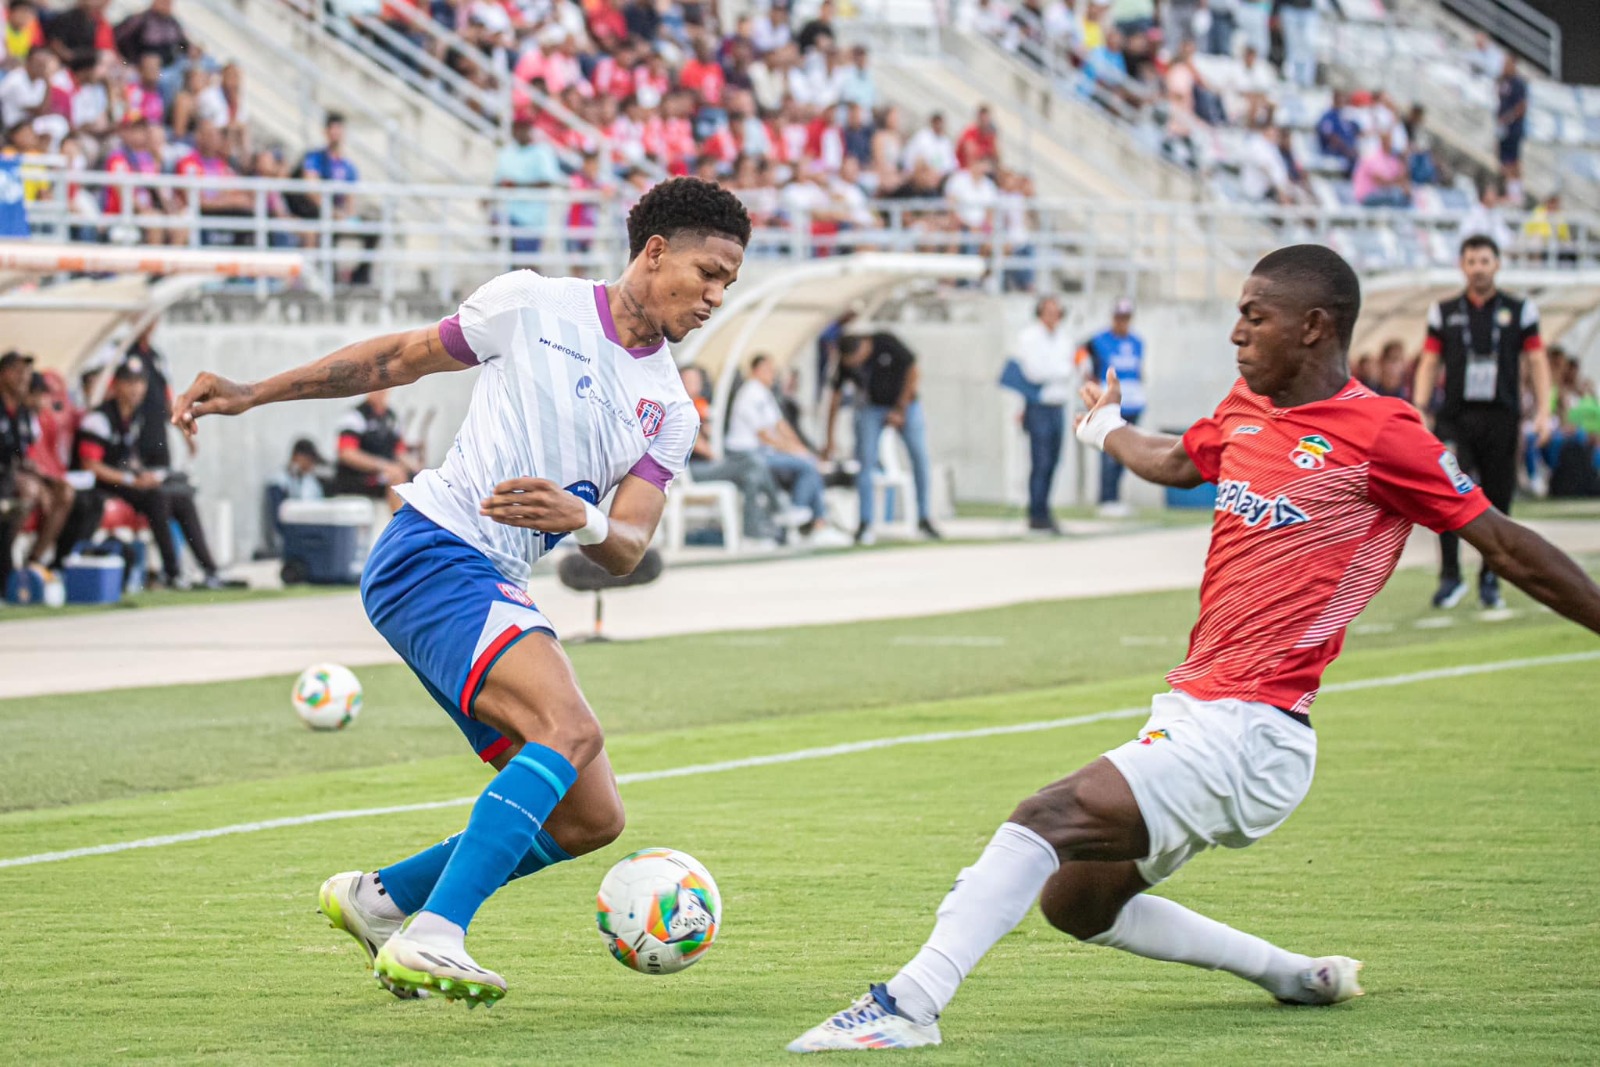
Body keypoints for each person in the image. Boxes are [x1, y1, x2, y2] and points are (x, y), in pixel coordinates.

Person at [787, 244, 1600, 1053]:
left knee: (1046, 816)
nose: (1237, 333)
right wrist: (1105, 426)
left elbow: (1504, 541)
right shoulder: (1247, 407)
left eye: (1255, 315)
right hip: (1196, 712)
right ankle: (1291, 973)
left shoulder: (1384, 434)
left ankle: (909, 1003)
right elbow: (1178, 459)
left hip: (1256, 729)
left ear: (1314, 326)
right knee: (1075, 904)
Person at [172, 177, 751, 1005]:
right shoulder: (532, 304)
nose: (716, 296)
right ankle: (437, 933)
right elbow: (396, 359)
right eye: (708, 272)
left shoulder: (668, 408)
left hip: (489, 578)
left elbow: (626, 546)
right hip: (433, 549)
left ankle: (381, 900)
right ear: (654, 252)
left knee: (594, 818)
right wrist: (256, 392)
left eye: (730, 282)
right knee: (569, 726)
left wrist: (579, 516)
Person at [1413, 234, 1548, 611]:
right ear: (1462, 266)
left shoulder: (1521, 310)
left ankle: (1491, 580)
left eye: (1484, 261)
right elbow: (1428, 361)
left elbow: (1537, 361)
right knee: (1446, 497)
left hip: (1502, 416)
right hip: (1456, 418)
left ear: (1497, 264)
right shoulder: (1444, 311)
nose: (1478, 268)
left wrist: (1541, 412)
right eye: (1471, 261)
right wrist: (1421, 407)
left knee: (1498, 501)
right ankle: (1450, 577)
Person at [75, 358, 227, 590]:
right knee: (157, 497)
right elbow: (90, 466)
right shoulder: (99, 418)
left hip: (129, 481)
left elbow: (130, 458)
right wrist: (132, 479)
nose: (135, 388)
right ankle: (172, 573)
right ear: (116, 385)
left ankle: (210, 571)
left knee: (182, 496)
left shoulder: (136, 417)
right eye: (129, 382)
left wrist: (143, 475)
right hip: (103, 485)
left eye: (139, 382)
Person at [824, 332, 939, 545]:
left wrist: (900, 409)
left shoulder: (886, 343)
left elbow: (913, 371)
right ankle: (865, 523)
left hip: (906, 405)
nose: (855, 366)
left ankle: (924, 518)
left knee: (919, 458)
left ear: (864, 348)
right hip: (871, 407)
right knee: (865, 462)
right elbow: (835, 399)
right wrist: (829, 439)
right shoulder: (844, 362)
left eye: (858, 360)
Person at [725, 353, 840, 543]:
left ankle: (808, 519)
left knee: (808, 463)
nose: (773, 374)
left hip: (764, 453)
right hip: (749, 455)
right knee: (808, 466)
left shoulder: (764, 392)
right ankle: (808, 520)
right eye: (769, 370)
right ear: (757, 370)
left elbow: (781, 426)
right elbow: (763, 436)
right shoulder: (749, 393)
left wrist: (802, 450)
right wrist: (796, 452)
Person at [679, 364, 783, 545]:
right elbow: (696, 443)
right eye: (689, 380)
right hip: (691, 470)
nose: (694, 384)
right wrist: (715, 456)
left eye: (697, 380)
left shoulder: (700, 406)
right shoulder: (679, 406)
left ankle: (753, 531)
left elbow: (709, 434)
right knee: (751, 459)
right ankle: (778, 508)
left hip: (707, 466)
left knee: (751, 476)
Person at [0, 352, 73, 580]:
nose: (25, 379)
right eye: (19, 372)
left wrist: (42, 479)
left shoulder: (23, 412)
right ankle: (6, 568)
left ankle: (35, 560)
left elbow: (24, 455)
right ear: (4, 374)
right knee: (28, 491)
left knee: (64, 491)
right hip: (5, 478)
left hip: (17, 474)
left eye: (27, 374)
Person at [1012, 295, 1076, 534]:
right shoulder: (1028, 337)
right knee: (1040, 460)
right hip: (1038, 405)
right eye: (1048, 311)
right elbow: (1034, 372)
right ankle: (1036, 514)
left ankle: (1044, 509)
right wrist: (1058, 371)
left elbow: (1069, 369)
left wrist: (1057, 371)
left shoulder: (1064, 339)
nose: (1053, 316)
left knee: (1054, 461)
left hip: (1057, 404)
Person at [1076, 298, 1146, 516]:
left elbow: (1138, 369)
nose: (1122, 322)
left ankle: (1115, 497)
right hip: (1112, 402)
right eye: (1119, 317)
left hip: (1134, 401)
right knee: (1109, 451)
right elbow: (1079, 353)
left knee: (1127, 451)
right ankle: (1106, 498)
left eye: (1126, 318)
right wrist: (1088, 377)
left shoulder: (1137, 342)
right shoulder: (1099, 340)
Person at [332, 389, 418, 510]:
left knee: (418, 479)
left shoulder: (391, 417)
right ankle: (398, 525)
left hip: (385, 473)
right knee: (396, 477)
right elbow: (346, 453)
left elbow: (399, 452)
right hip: (358, 477)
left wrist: (418, 469)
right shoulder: (356, 415)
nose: (381, 392)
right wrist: (383, 466)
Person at [1496, 55, 1527, 205]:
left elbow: (1522, 106)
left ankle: (1516, 192)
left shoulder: (1518, 83)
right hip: (1503, 127)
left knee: (1513, 160)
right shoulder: (1503, 81)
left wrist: (1508, 118)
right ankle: (1510, 190)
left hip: (1513, 127)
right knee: (1503, 160)